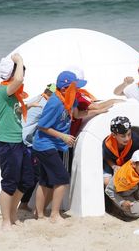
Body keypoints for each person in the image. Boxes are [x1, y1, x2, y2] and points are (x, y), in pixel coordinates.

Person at [32, 70, 93, 223]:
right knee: (62, 178)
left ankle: (38, 215)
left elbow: (77, 114)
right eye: (75, 87)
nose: (78, 90)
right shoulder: (55, 103)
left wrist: (101, 111)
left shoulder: (70, 99)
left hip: (55, 145)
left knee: (46, 181)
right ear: (65, 88)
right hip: (45, 145)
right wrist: (64, 136)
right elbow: (42, 126)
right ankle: (54, 215)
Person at [0, 53, 34, 230]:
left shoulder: (13, 95)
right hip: (6, 143)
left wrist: (30, 105)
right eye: (18, 72)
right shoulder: (3, 90)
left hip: (18, 142)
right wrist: (19, 60)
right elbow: (18, 79)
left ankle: (13, 213)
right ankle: (5, 221)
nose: (22, 76)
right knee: (9, 182)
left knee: (26, 180)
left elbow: (13, 113)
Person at [18, 83, 56, 211]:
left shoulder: (37, 98)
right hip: (25, 143)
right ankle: (10, 197)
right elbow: (48, 125)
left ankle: (23, 203)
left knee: (32, 175)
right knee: (33, 175)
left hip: (23, 140)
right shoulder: (44, 105)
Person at [105, 149, 139, 223]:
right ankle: (118, 210)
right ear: (134, 164)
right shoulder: (121, 175)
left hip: (134, 192)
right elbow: (109, 190)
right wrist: (122, 202)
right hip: (122, 197)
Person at [102, 116, 139, 186]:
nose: (127, 138)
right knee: (107, 182)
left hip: (129, 164)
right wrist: (114, 166)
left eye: (129, 134)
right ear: (114, 135)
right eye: (123, 136)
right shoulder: (108, 144)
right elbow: (105, 157)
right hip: (111, 164)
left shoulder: (135, 141)